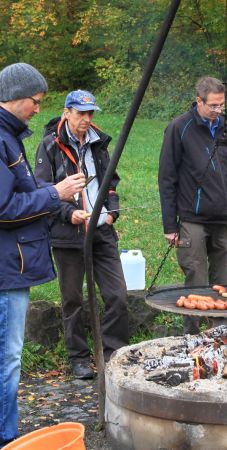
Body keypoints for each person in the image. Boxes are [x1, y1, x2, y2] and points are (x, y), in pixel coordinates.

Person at [0, 63, 85, 447]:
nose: (38, 109)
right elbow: (3, 208)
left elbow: (20, 188)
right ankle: (6, 438)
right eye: (35, 102)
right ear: (16, 97)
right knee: (7, 361)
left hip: (11, 266)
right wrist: (57, 194)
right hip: (5, 270)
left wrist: (51, 192)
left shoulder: (10, 136)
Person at [34, 90, 129, 379]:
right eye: (80, 113)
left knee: (117, 295)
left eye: (90, 114)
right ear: (67, 113)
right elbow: (42, 190)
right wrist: (67, 213)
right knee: (73, 300)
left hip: (102, 231)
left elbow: (110, 182)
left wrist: (112, 211)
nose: (86, 119)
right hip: (68, 234)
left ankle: (114, 355)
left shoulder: (99, 143)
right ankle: (78, 357)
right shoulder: (50, 145)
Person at [158, 76, 227, 334]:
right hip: (192, 218)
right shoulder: (179, 128)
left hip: (226, 217)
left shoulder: (225, 127)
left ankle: (219, 334)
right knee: (196, 281)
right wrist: (169, 224)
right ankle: (192, 335)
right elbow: (166, 178)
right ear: (199, 101)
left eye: (222, 106)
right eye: (214, 106)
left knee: (223, 283)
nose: (219, 111)